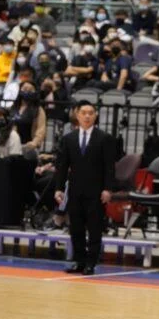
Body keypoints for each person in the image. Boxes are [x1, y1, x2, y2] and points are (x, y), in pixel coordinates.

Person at [53, 101, 118, 275]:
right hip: (75, 190)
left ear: (95, 116)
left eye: (90, 113)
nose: (87, 116)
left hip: (96, 191)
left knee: (94, 227)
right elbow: (62, 166)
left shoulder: (104, 138)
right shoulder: (69, 138)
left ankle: (91, 263)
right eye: (84, 113)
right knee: (76, 228)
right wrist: (59, 188)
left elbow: (109, 167)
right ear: (77, 115)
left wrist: (108, 189)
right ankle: (79, 261)